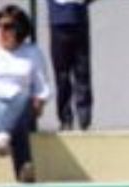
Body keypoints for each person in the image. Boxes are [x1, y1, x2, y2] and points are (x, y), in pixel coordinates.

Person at [0, 5, 50, 183]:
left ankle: (3, 138)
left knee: (21, 106)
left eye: (8, 26)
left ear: (20, 30)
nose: (1, 30)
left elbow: (42, 86)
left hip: (24, 107)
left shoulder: (32, 52)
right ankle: (24, 171)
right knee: (19, 112)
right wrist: (20, 99)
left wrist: (40, 101)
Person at [46, 0, 94, 131]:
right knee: (62, 75)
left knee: (82, 72)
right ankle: (65, 118)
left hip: (79, 20)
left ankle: (84, 119)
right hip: (58, 22)